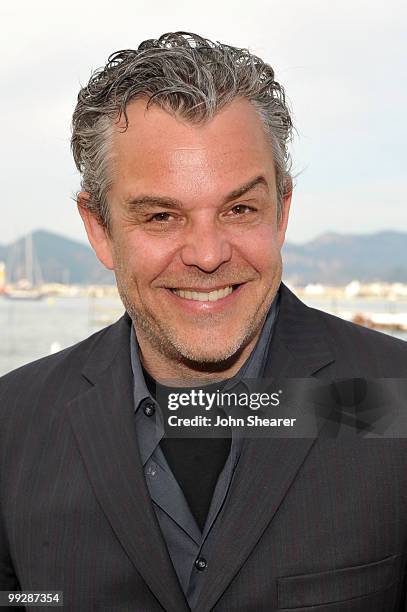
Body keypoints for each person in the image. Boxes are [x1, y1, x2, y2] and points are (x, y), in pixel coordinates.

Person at [1, 31, 407, 612]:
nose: (209, 253)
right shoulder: (12, 426)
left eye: (240, 209)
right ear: (98, 228)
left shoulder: (396, 400)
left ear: (282, 211)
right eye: (162, 215)